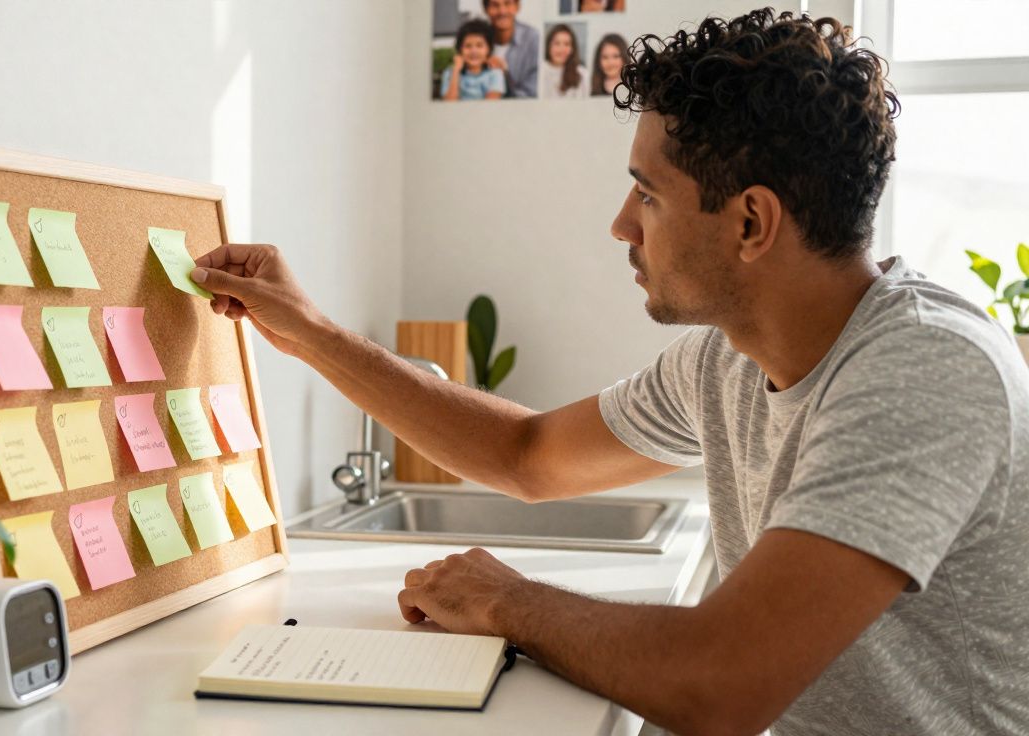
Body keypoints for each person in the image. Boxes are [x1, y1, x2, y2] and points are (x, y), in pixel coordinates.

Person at [189, 9, 1028, 735]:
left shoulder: (925, 369)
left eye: (649, 195)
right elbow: (527, 454)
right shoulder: (724, 361)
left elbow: (720, 685)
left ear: (751, 222)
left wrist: (506, 601)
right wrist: (311, 333)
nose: (622, 224)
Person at [481, 0, 539, 98]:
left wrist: (505, 77)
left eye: (508, 3)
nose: (502, 11)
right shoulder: (476, 39)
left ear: (517, 6)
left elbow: (531, 95)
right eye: (495, 5)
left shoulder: (533, 39)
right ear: (486, 9)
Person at [440, 19, 506, 101]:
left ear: (488, 49)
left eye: (479, 45)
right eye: (468, 46)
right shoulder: (450, 73)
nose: (473, 51)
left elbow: (491, 104)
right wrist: (456, 70)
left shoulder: (495, 73)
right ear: (460, 50)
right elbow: (448, 103)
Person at [541, 24, 590, 99]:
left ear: (572, 49)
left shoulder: (582, 74)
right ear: (548, 46)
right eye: (557, 43)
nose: (561, 49)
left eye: (567, 44)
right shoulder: (538, 71)